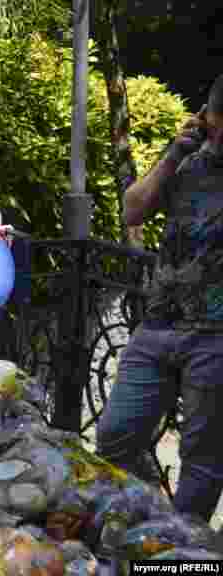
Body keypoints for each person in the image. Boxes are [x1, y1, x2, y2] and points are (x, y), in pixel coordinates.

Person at [97, 73, 223, 522]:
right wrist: (174, 152)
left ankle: (180, 559)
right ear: (207, 117)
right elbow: (133, 209)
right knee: (114, 436)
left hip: (216, 339)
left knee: (202, 465)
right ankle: (151, 517)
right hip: (158, 325)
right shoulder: (186, 163)